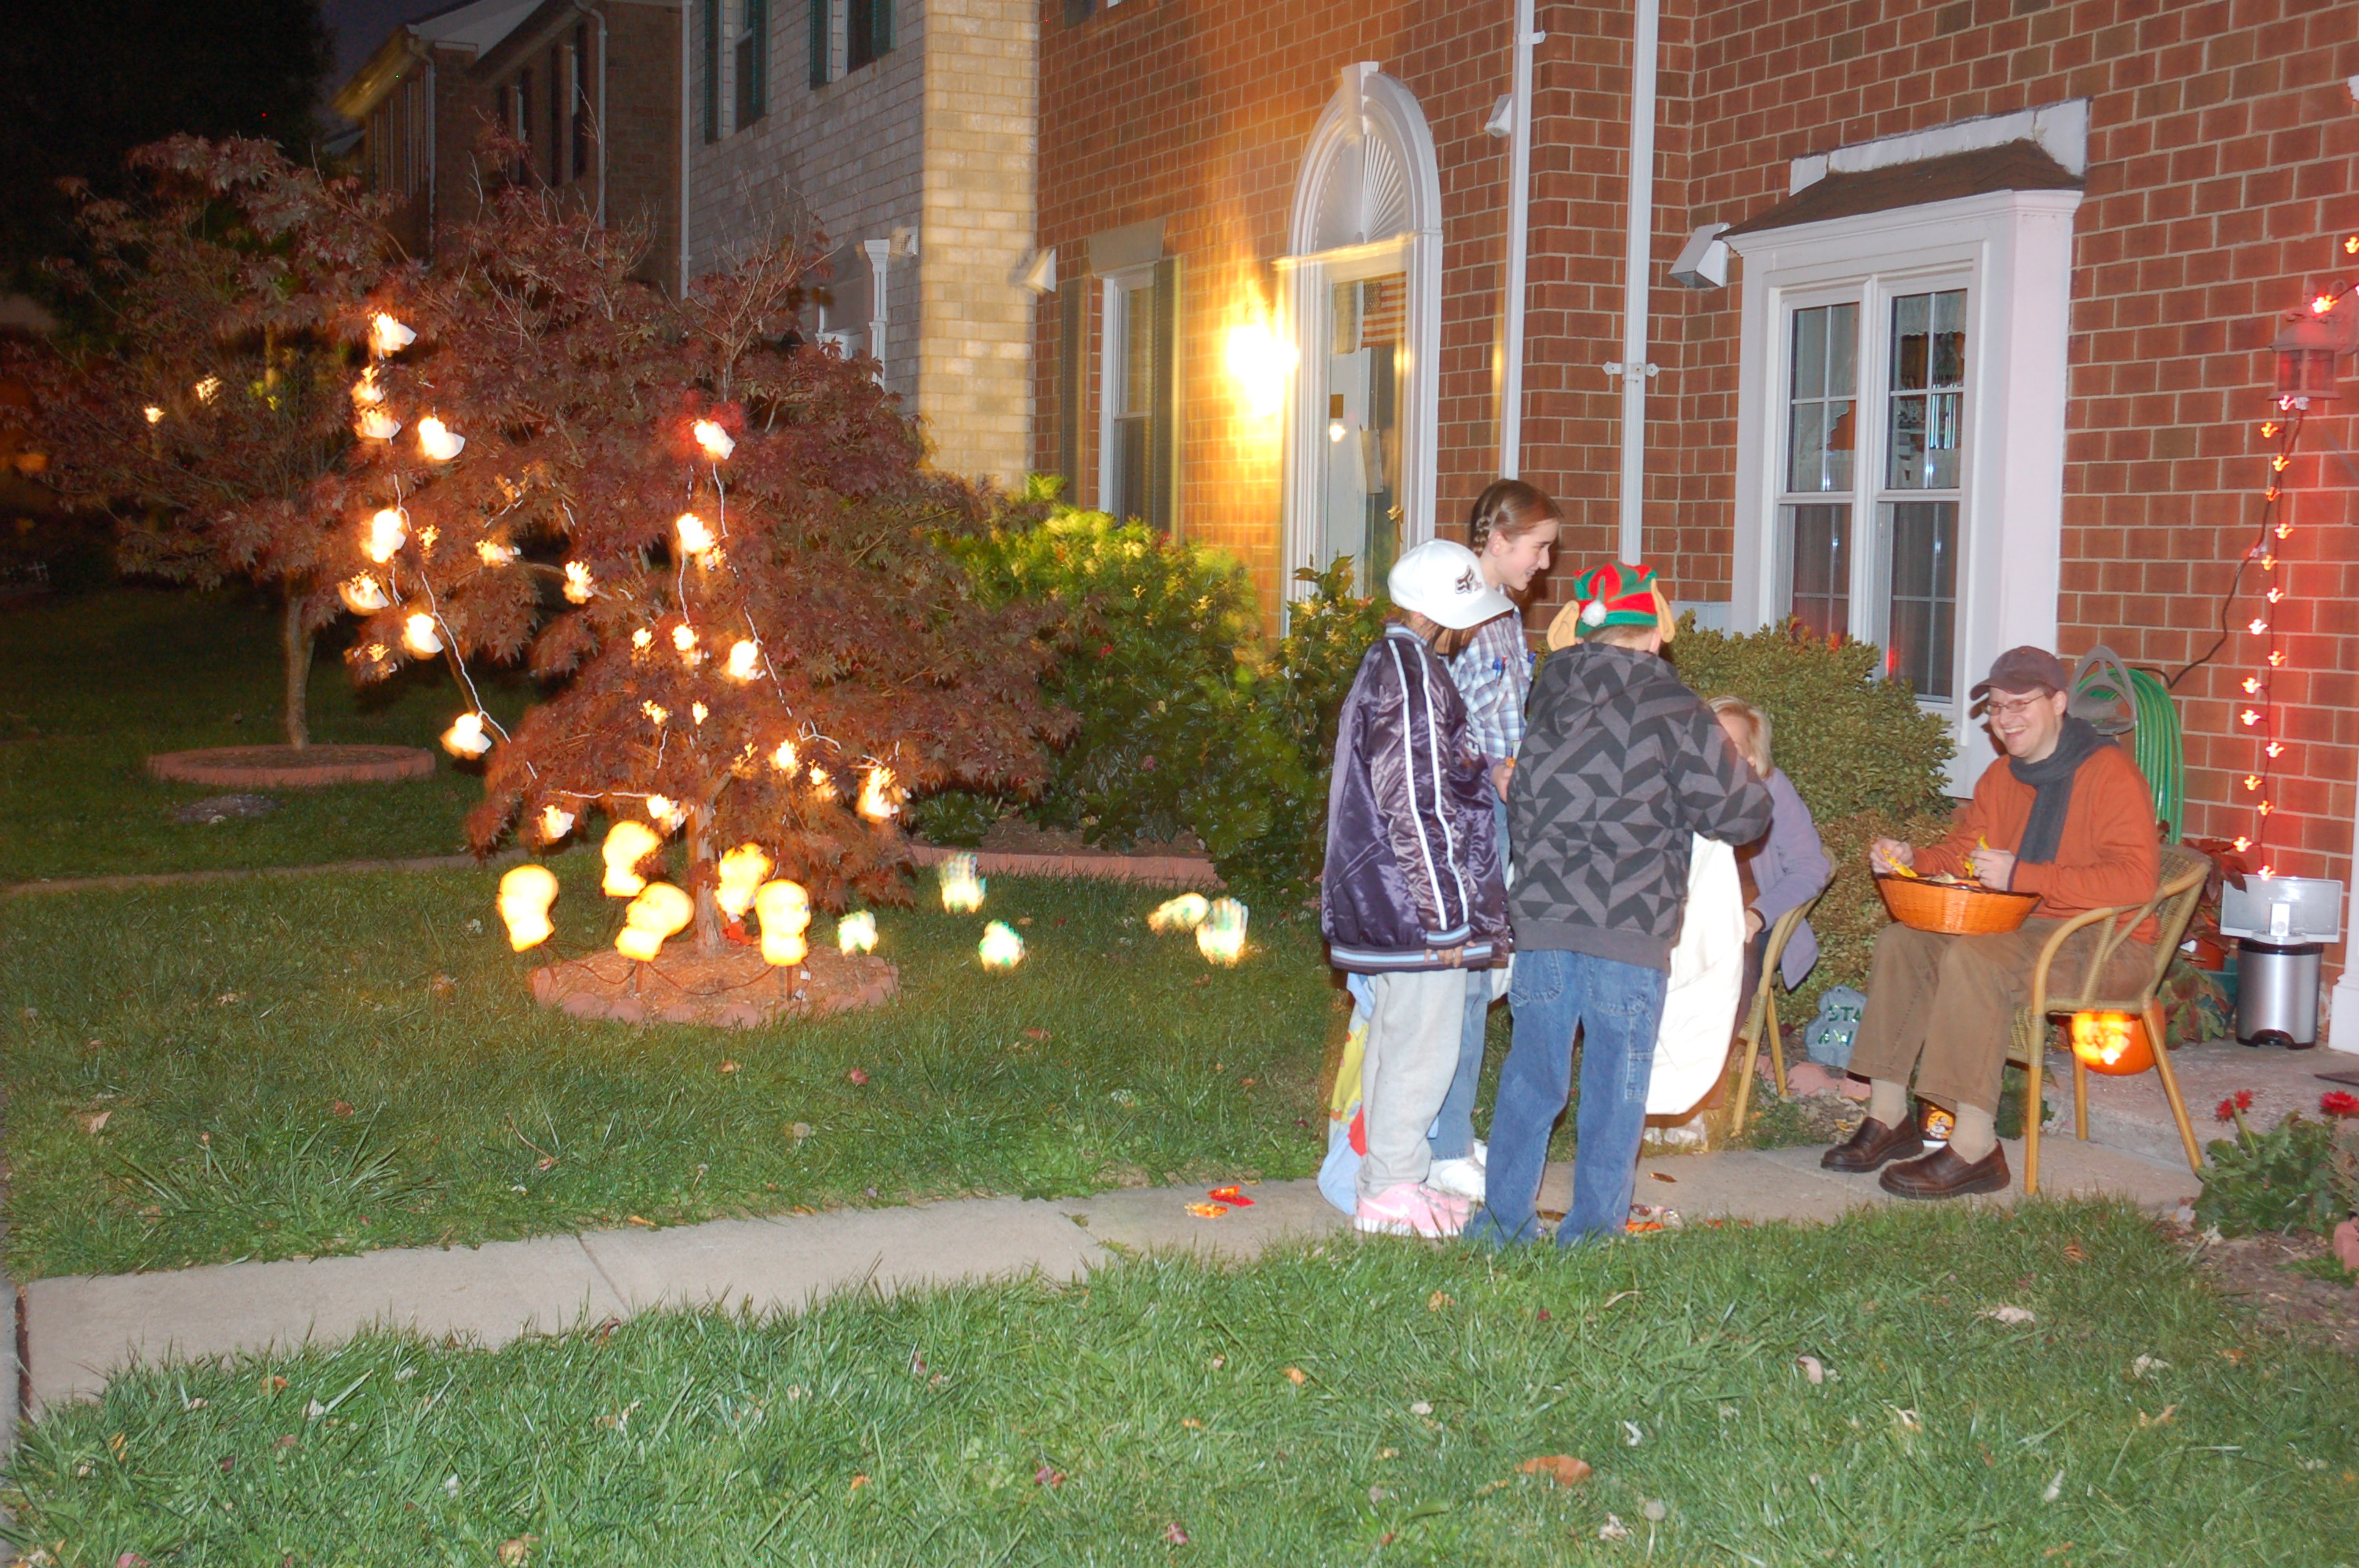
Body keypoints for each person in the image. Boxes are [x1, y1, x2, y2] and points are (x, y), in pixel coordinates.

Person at [1465, 562, 1772, 1247]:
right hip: (1629, 930)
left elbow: (1533, 793)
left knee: (1533, 1078)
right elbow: (1739, 816)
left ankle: (1502, 1224)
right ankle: (1592, 1234)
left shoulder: (1549, 695)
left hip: (1544, 921)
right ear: (1655, 635)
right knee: (1615, 1086)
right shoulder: (1676, 708)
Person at [1826, 646, 2161, 1199]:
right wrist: (1912, 858)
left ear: (2058, 703)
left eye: (2020, 704)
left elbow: (2135, 882)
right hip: (2020, 927)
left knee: (1976, 958)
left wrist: (2026, 875)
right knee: (1903, 941)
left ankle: (1975, 1145)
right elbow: (1966, 851)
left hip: (2105, 942)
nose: (2005, 719)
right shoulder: (2001, 776)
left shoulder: (2110, 774)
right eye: (1998, 707)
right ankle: (1888, 1116)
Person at [1321, 538, 1514, 1237]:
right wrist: (1446, 914)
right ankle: (1391, 1189)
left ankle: (1390, 1176)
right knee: (1420, 1048)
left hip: (1393, 897)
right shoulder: (1410, 673)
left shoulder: (1399, 663)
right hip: (1411, 903)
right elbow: (1415, 798)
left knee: (1397, 1039)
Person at [1427, 479, 1563, 1205]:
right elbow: (1451, 728)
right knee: (1466, 978)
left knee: (1478, 979)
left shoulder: (1503, 614)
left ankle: (1448, 1127)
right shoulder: (1464, 617)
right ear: (1499, 539)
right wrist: (1494, 775)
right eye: (1537, 547)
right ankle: (1442, 1145)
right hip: (1471, 815)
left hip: (1494, 811)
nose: (1544, 562)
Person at [1706, 697, 1831, 1005]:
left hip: (1749, 922)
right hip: (1690, 922)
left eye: (1730, 745)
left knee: (1731, 963)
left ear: (1751, 757)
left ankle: (1723, 1038)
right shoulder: (1672, 789)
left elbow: (1810, 866)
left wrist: (1760, 913)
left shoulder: (1771, 788)